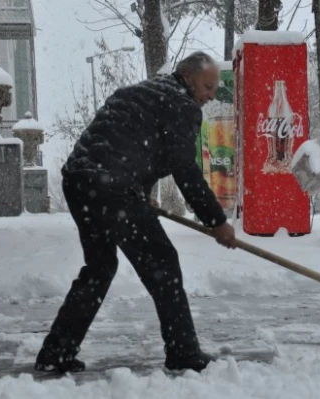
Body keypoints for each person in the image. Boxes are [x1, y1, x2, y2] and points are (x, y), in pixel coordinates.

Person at [34, 51, 236, 374]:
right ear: (187, 77)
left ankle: (56, 352)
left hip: (80, 180)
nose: (211, 97)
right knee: (163, 264)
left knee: (100, 267)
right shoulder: (182, 106)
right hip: (111, 186)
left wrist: (141, 195)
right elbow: (184, 169)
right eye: (208, 87)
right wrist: (217, 222)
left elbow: (131, 146)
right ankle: (183, 351)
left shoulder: (142, 93)